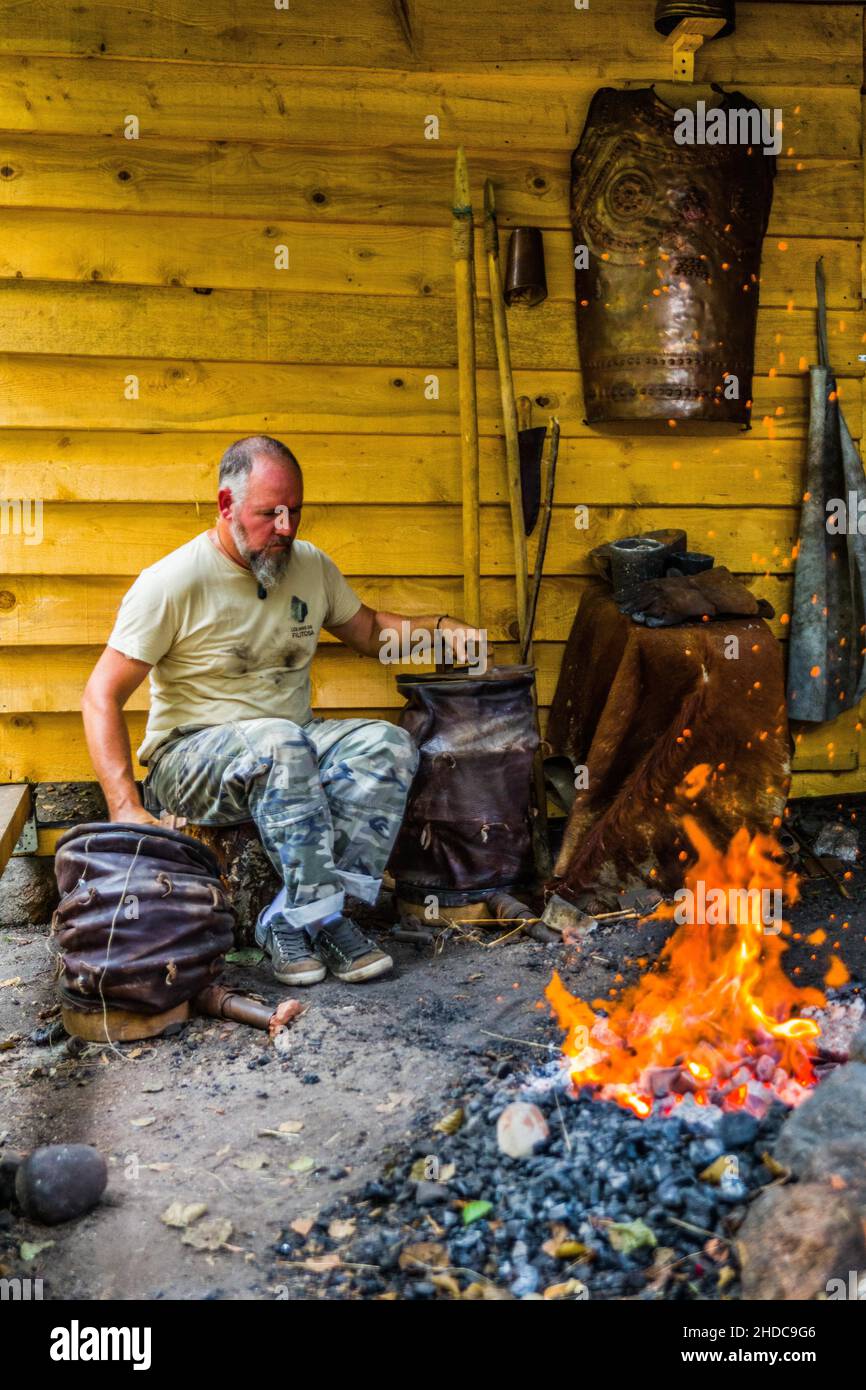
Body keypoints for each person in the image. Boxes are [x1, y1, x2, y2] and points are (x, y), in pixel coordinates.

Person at [82, 435, 484, 988]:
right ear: (227, 505)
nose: (287, 526)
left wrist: (441, 633)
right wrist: (123, 807)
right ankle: (315, 915)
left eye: (294, 511)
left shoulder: (309, 567)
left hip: (288, 743)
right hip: (191, 759)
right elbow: (101, 694)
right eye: (270, 512)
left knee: (386, 744)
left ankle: (307, 915)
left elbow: (367, 632)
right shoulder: (171, 583)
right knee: (278, 741)